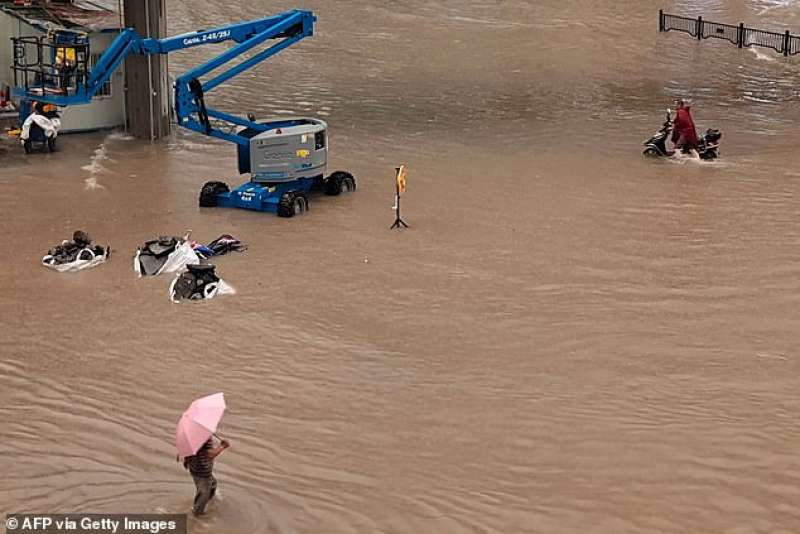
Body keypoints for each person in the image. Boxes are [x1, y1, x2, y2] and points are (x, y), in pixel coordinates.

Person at [183, 437, 230, 515]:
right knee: (203, 494)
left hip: (195, 467)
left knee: (212, 483)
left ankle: (209, 499)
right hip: (202, 471)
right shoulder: (204, 437)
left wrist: (186, 460)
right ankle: (197, 514)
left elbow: (188, 448)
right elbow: (210, 454)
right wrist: (222, 446)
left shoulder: (192, 436)